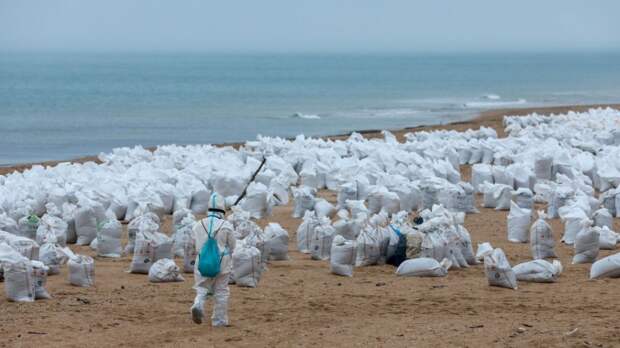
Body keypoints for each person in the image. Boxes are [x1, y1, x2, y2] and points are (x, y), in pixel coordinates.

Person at [190, 193, 236, 327]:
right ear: (223, 210)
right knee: (221, 291)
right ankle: (219, 321)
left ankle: (198, 304)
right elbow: (233, 246)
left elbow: (194, 245)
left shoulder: (198, 225)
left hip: (202, 261)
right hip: (222, 262)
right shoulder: (226, 225)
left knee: (202, 287)